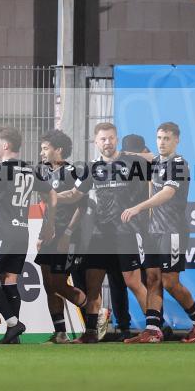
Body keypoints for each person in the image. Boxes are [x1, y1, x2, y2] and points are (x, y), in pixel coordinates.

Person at [57, 122, 151, 344]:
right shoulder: (91, 168)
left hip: (126, 231)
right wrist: (52, 196)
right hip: (100, 235)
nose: (107, 142)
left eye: (110, 138)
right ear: (95, 142)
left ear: (117, 139)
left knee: (133, 282)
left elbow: (157, 161)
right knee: (93, 284)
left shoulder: (132, 162)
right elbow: (74, 193)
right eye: (102, 139)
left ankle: (154, 328)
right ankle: (90, 332)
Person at [121, 122, 195, 343]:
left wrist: (139, 207)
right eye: (159, 138)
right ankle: (153, 331)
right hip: (154, 230)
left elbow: (167, 193)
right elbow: (143, 156)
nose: (162, 142)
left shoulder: (179, 164)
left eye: (167, 138)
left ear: (177, 140)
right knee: (152, 278)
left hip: (173, 230)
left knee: (170, 282)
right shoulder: (157, 161)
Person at [0, 126, 55, 344]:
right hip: (22, 231)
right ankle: (13, 336)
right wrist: (49, 224)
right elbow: (52, 196)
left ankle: (13, 323)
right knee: (10, 281)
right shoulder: (30, 169)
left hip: (3, 232)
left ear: (5, 145)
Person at [35, 129, 88, 344]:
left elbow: (82, 206)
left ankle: (98, 311)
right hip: (49, 234)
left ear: (59, 150)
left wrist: (67, 233)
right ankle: (60, 333)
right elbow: (47, 206)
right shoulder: (42, 172)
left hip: (67, 236)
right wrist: (42, 232)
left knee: (58, 283)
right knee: (49, 285)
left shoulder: (74, 171)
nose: (42, 152)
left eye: (45, 148)